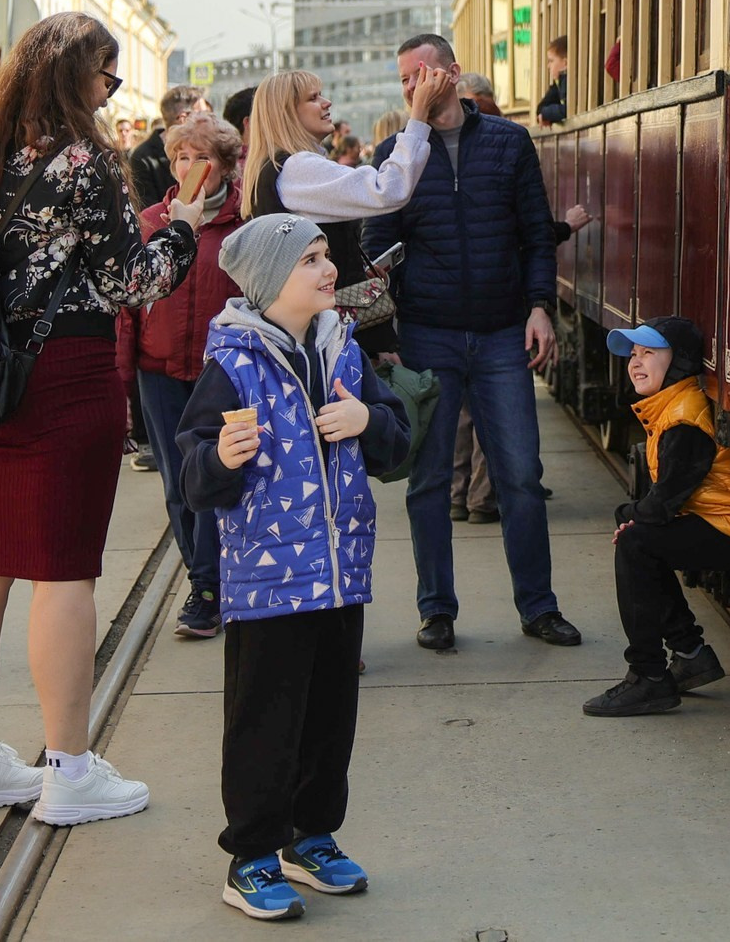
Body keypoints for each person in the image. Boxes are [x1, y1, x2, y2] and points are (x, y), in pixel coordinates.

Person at [0, 11, 204, 826]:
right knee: (64, 571)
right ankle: (71, 770)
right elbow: (130, 282)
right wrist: (182, 230)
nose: (109, 90)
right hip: (64, 376)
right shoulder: (86, 160)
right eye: (106, 75)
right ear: (78, 76)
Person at [175, 214, 410, 920]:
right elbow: (194, 472)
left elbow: (397, 442)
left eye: (325, 254)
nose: (328, 268)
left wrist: (369, 422)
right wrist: (220, 457)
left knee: (330, 716)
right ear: (272, 279)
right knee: (265, 719)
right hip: (268, 581)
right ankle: (251, 855)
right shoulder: (233, 364)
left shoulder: (345, 352)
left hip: (339, 573)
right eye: (309, 259)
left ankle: (311, 837)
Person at [363, 33, 578, 653]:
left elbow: (535, 234)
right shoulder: (395, 152)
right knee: (429, 482)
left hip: (502, 334)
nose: (412, 86)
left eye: (420, 74)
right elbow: (377, 246)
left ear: (451, 73)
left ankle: (539, 607)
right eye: (403, 79)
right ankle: (436, 611)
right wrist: (385, 337)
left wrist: (539, 308)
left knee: (521, 476)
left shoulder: (509, 142)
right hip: (426, 336)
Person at [583, 317, 730, 717]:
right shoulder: (670, 406)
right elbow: (665, 504)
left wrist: (626, 515)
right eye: (633, 354)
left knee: (636, 544)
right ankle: (689, 655)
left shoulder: (684, 421)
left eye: (648, 352)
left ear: (678, 362)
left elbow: (664, 501)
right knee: (641, 543)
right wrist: (637, 521)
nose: (635, 362)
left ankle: (647, 676)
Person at [118, 115, 248, 640]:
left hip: (223, 372)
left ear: (226, 164)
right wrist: (123, 381)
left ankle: (214, 584)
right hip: (160, 370)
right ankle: (203, 581)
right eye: (181, 157)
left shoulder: (246, 222)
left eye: (202, 157)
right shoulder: (152, 221)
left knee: (219, 476)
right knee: (177, 482)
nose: (190, 166)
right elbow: (128, 305)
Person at [241, 66, 447, 361]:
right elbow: (389, 189)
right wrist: (418, 116)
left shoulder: (276, 167)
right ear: (287, 113)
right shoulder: (297, 168)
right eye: (313, 98)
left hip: (311, 331)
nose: (327, 103)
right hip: (325, 337)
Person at [128, 83, 208, 208]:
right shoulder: (143, 157)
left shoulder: (207, 151)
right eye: (203, 115)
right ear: (184, 119)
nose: (209, 120)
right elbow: (146, 212)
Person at [536, 37, 569, 126]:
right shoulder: (558, 82)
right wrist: (545, 115)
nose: (548, 66)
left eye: (551, 61)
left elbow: (567, 110)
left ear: (565, 63)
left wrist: (546, 114)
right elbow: (540, 108)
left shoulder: (568, 82)